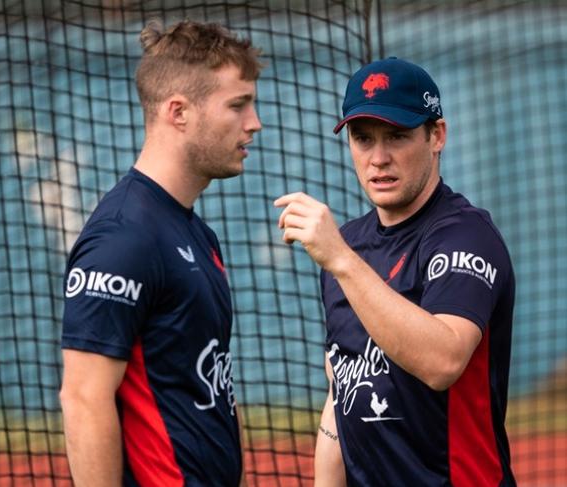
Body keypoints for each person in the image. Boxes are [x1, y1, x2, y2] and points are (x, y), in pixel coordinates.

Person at [275, 57, 516, 486]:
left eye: (398, 136)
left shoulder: (465, 236)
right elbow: (342, 392)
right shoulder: (346, 244)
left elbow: (443, 361)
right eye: (362, 138)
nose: (378, 158)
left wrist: (342, 261)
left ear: (436, 135)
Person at [59, 19, 262, 486]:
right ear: (178, 112)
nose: (254, 123)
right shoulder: (124, 238)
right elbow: (84, 399)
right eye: (238, 105)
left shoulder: (194, 231)